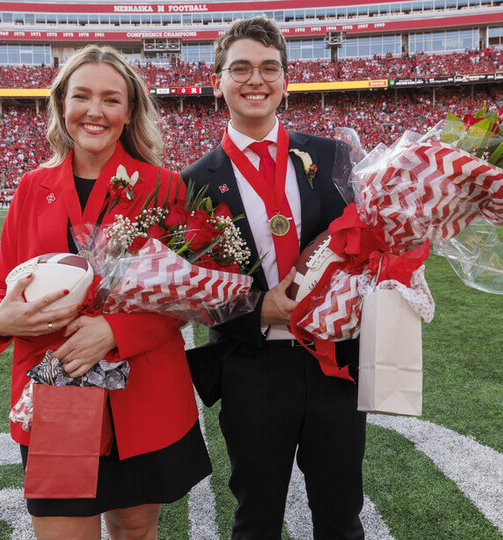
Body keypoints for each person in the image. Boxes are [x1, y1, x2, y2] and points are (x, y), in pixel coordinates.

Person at [0, 44, 210, 540]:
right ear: (63, 104)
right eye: (82, 96)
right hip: (56, 387)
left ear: (129, 112)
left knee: (134, 529)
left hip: (142, 394)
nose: (95, 111)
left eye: (111, 99)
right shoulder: (31, 187)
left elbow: (187, 296)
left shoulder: (166, 187)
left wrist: (114, 330)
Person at [183, 17, 366, 539]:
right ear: (217, 81)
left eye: (268, 67)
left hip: (335, 364)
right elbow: (188, 289)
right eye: (239, 68)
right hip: (252, 368)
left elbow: (369, 244)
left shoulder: (334, 156)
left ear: (286, 80)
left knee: (340, 516)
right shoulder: (192, 183)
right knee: (257, 518)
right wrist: (258, 307)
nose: (255, 80)